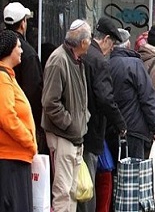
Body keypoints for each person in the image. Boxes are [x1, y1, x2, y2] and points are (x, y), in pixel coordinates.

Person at [42, 19, 92, 212]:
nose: (91, 41)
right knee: (63, 192)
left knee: (72, 190)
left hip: (73, 135)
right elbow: (50, 103)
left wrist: (83, 120)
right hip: (63, 135)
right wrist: (71, 124)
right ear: (83, 42)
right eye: (89, 38)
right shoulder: (59, 60)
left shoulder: (76, 60)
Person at [79, 17, 127, 212]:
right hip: (91, 129)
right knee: (88, 182)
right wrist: (121, 123)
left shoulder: (84, 54)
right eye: (112, 44)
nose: (112, 49)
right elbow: (106, 99)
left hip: (79, 127)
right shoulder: (98, 60)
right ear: (106, 39)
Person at [109, 28, 155, 160]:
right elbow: (147, 98)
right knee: (133, 175)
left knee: (115, 173)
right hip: (134, 130)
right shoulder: (135, 64)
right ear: (128, 44)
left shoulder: (106, 64)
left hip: (111, 129)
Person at [0, 30, 37, 212]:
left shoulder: (8, 77)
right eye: (19, 47)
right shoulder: (2, 78)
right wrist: (29, 141)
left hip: (16, 157)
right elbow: (7, 117)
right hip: (10, 158)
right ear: (9, 50)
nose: (22, 51)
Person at [3, 2, 45, 153]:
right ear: (22, 24)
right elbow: (34, 91)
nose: (19, 51)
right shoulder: (28, 54)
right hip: (21, 128)